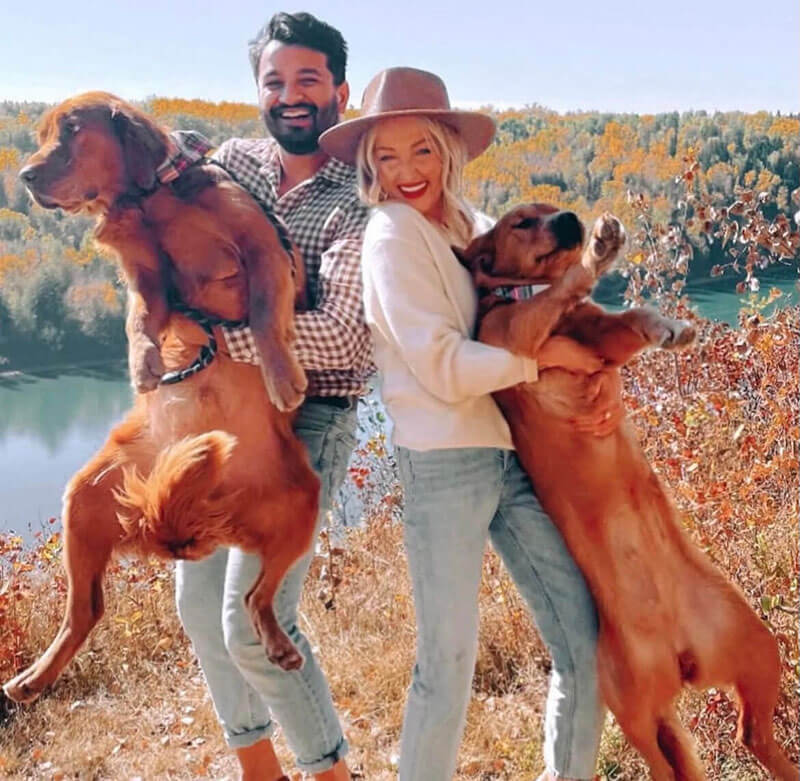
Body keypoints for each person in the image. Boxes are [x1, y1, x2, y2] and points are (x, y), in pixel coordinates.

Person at [320, 67, 614, 780]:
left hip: (511, 454)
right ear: (368, 165)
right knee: (447, 662)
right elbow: (443, 367)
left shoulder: (471, 225)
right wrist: (542, 364)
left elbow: (545, 301)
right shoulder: (391, 235)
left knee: (584, 639)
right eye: (386, 156)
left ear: (447, 149)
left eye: (421, 149)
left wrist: (599, 368)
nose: (406, 171)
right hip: (443, 465)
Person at [173, 13, 371, 781]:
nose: (291, 96)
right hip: (223, 413)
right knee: (197, 605)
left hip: (311, 418)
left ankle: (330, 773)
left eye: (308, 80)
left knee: (253, 624)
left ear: (340, 92)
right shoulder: (234, 167)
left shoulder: (362, 194)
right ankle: (260, 769)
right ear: (258, 90)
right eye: (275, 81)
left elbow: (344, 338)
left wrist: (222, 339)